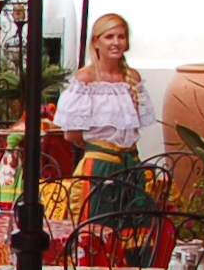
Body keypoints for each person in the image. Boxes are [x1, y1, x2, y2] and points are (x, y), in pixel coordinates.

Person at [50, 12, 159, 221]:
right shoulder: (86, 79)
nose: (116, 42)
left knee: (134, 227)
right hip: (100, 165)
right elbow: (71, 134)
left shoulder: (133, 78)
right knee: (99, 226)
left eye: (121, 36)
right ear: (96, 42)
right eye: (109, 37)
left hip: (131, 163)